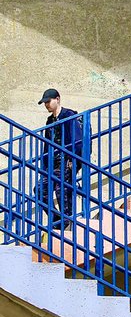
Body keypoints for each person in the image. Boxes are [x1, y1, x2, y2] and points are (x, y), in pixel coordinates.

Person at [37, 88, 86, 230]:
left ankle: (68, 222)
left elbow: (77, 140)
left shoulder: (68, 115)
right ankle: (58, 220)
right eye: (45, 102)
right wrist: (45, 166)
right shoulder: (50, 120)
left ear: (57, 99)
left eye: (48, 101)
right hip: (53, 163)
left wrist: (73, 160)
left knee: (62, 190)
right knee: (40, 190)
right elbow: (47, 145)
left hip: (67, 160)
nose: (46, 105)